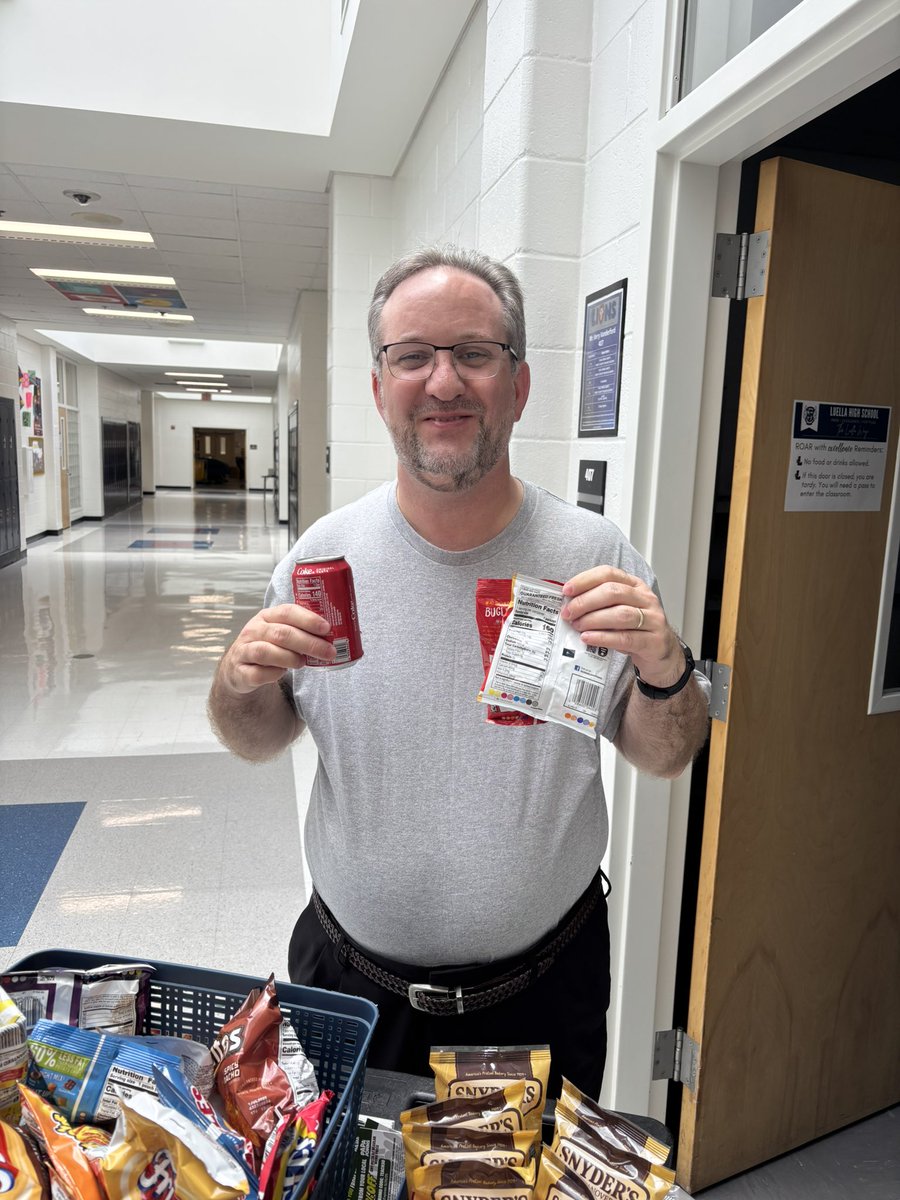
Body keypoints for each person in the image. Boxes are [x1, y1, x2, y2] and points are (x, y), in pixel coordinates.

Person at [207, 246, 710, 1099]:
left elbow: (666, 754)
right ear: (378, 388)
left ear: (517, 384)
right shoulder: (319, 560)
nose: (443, 382)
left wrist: (668, 673)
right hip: (350, 989)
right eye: (412, 356)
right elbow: (257, 738)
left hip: (541, 996)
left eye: (474, 353)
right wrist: (234, 681)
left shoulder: (593, 561)